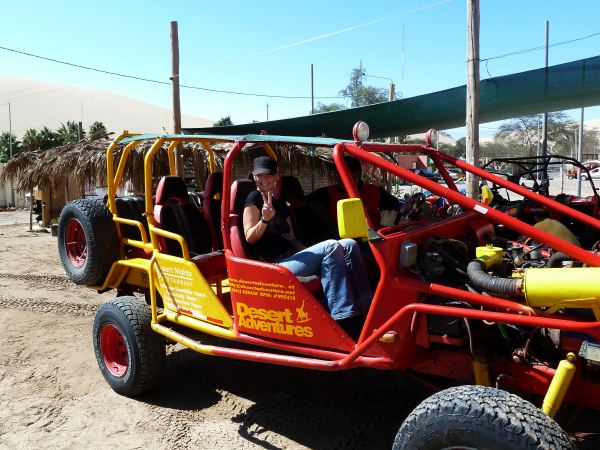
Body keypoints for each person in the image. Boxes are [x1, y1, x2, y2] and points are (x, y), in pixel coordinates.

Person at [243, 156, 372, 328]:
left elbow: (293, 239)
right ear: (253, 176)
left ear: (276, 177)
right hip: (272, 266)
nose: (263, 179)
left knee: (348, 244)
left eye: (268, 175)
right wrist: (264, 220)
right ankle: (342, 318)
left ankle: (367, 306)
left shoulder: (281, 204)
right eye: (260, 175)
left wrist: (314, 254)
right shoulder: (253, 199)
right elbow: (249, 237)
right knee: (331, 246)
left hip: (291, 258)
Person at [307, 156, 405, 229]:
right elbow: (301, 202)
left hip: (374, 238)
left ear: (358, 173)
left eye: (343, 174)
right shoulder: (326, 193)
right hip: (345, 242)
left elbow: (398, 206)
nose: (338, 178)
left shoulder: (375, 191)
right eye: (337, 174)